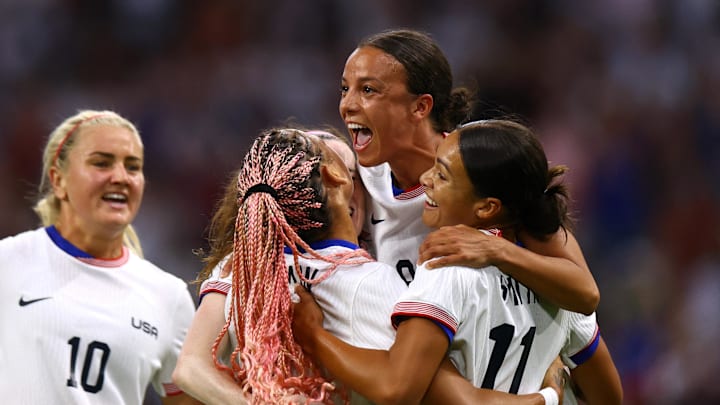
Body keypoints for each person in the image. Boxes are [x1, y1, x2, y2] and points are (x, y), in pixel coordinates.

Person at [172, 127, 565, 404]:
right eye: (352, 172)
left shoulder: (244, 268)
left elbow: (189, 368)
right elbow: (451, 398)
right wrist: (547, 395)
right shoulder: (376, 284)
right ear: (335, 179)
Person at [292, 119, 623, 405]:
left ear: (487, 208)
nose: (425, 179)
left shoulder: (444, 269)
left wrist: (313, 336)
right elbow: (609, 397)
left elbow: (396, 388)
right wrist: (551, 394)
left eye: (443, 174)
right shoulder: (558, 288)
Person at [340, 28, 599, 314]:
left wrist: (495, 250)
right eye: (345, 89)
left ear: (420, 106)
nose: (347, 105)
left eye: (368, 90)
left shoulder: (483, 163)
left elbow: (584, 293)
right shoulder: (353, 181)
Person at [0, 110, 200, 404]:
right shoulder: (8, 262)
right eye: (101, 163)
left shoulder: (169, 299)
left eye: (133, 167)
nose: (120, 177)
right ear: (59, 181)